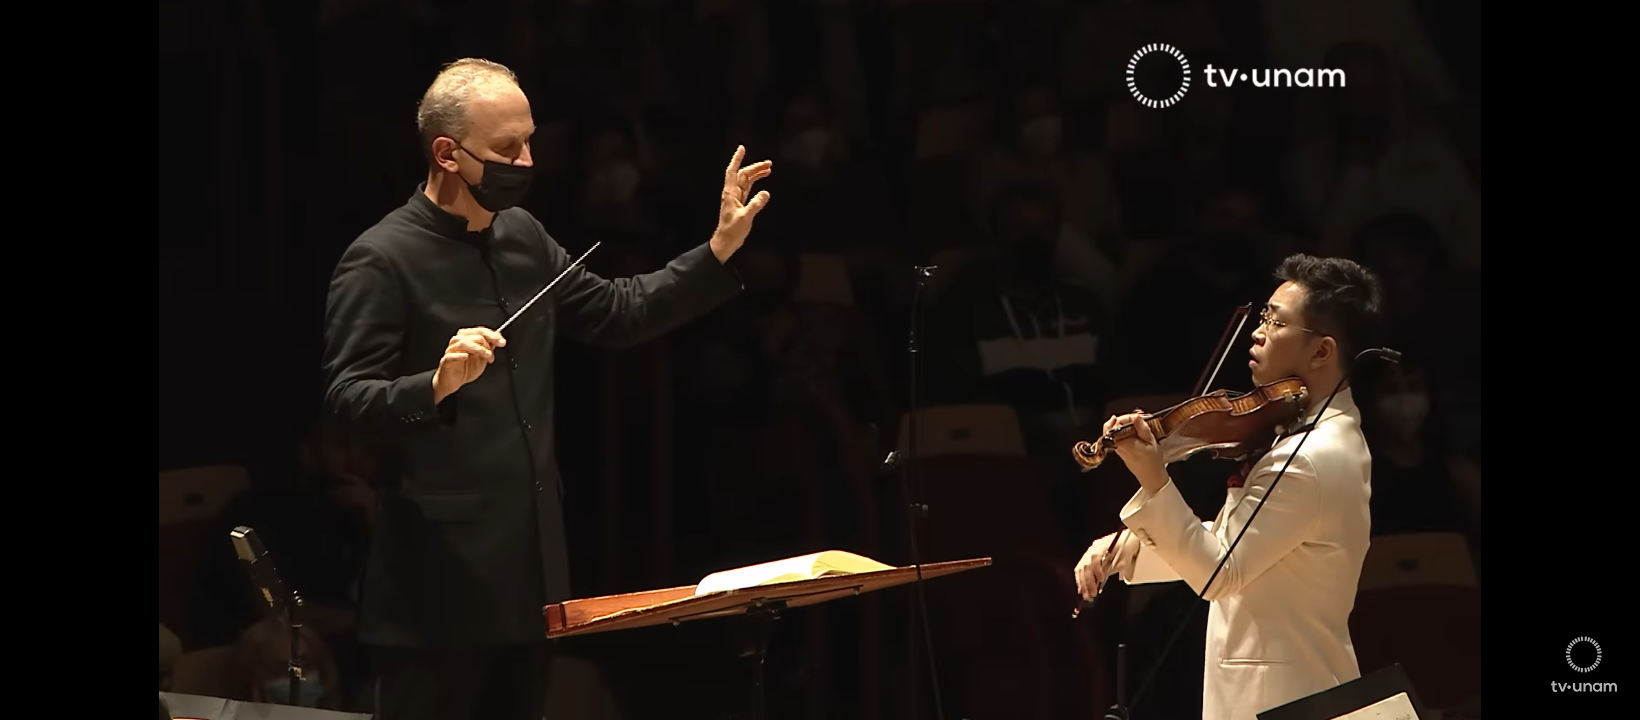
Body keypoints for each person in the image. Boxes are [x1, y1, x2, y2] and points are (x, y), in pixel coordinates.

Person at [321, 58, 773, 720]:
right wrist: (435, 384)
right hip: (434, 595)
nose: (527, 160)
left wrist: (715, 252)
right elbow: (347, 405)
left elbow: (618, 312)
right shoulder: (381, 258)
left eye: (531, 140)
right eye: (507, 149)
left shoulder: (524, 236)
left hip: (527, 575)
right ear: (447, 153)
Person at [1075, 254, 1384, 720]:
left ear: (1322, 351)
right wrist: (1129, 550)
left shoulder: (1312, 457)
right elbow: (1242, 544)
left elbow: (1221, 572)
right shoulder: (1306, 433)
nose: (1257, 332)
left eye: (1275, 323)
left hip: (1285, 701)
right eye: (1262, 317)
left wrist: (1153, 475)